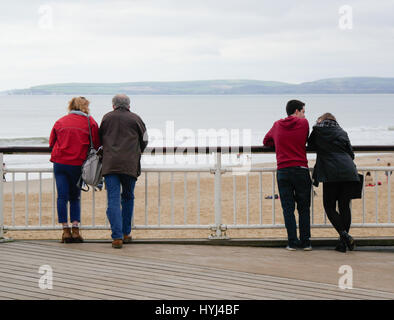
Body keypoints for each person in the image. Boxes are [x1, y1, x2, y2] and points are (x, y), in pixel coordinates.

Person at [99, 94, 148, 249]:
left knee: (113, 199)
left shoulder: (106, 118)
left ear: (113, 105)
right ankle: (126, 233)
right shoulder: (135, 119)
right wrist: (137, 150)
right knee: (128, 198)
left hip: (110, 165)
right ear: (128, 105)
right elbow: (145, 139)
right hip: (129, 164)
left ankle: (117, 237)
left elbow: (100, 138)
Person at [49, 97, 100, 243]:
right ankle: (76, 230)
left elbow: (52, 142)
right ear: (85, 107)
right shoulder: (90, 123)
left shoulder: (61, 121)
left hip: (60, 162)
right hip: (78, 164)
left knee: (62, 197)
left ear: (70, 106)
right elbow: (96, 144)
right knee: (75, 197)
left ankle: (65, 230)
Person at [263, 100, 312, 251]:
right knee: (304, 208)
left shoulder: (277, 125)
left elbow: (266, 141)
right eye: (303, 111)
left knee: (288, 208)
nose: (304, 115)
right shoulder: (304, 124)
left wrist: (279, 143)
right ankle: (305, 242)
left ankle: (292, 242)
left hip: (283, 170)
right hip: (301, 169)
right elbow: (305, 139)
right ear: (297, 111)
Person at [308, 113, 359, 253]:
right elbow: (351, 154)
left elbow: (310, 145)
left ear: (322, 120)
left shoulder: (317, 131)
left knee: (329, 206)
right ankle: (343, 244)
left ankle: (344, 236)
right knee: (344, 207)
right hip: (348, 171)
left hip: (330, 172)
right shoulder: (342, 131)